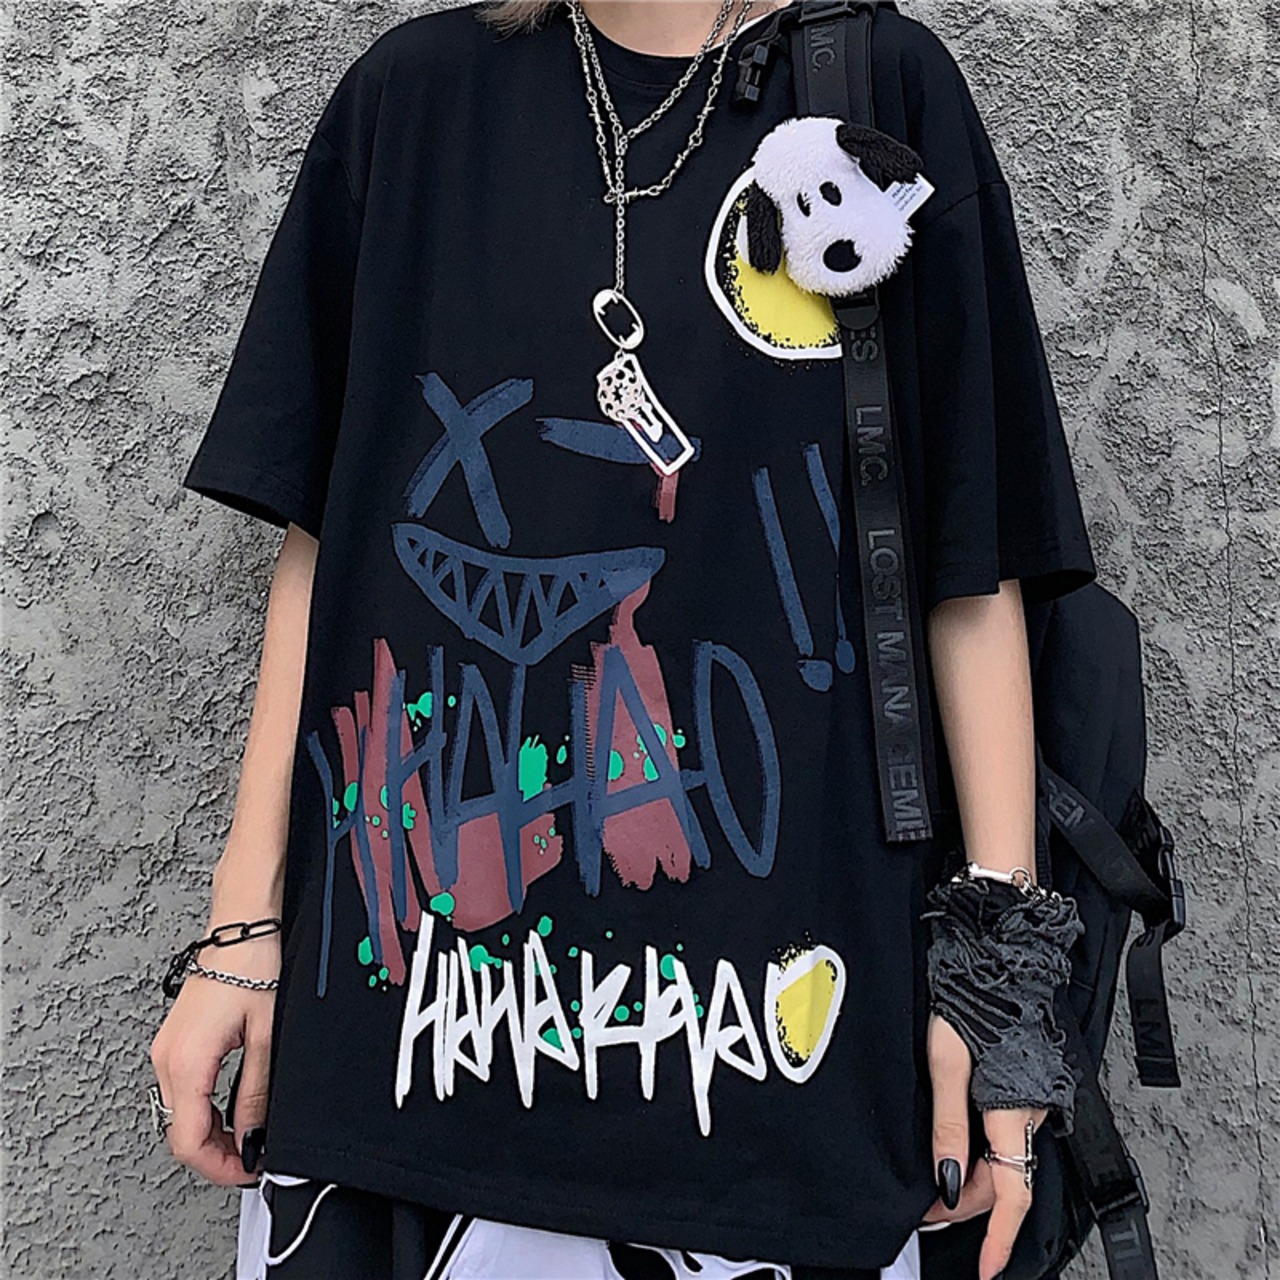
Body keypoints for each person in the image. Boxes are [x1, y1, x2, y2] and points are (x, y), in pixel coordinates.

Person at [150, 0, 1098, 1277]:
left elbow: (967, 571)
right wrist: (240, 930)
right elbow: (326, 540)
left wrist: (998, 991)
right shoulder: (413, 98)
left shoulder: (880, 98)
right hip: (404, 1064)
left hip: (780, 1089)